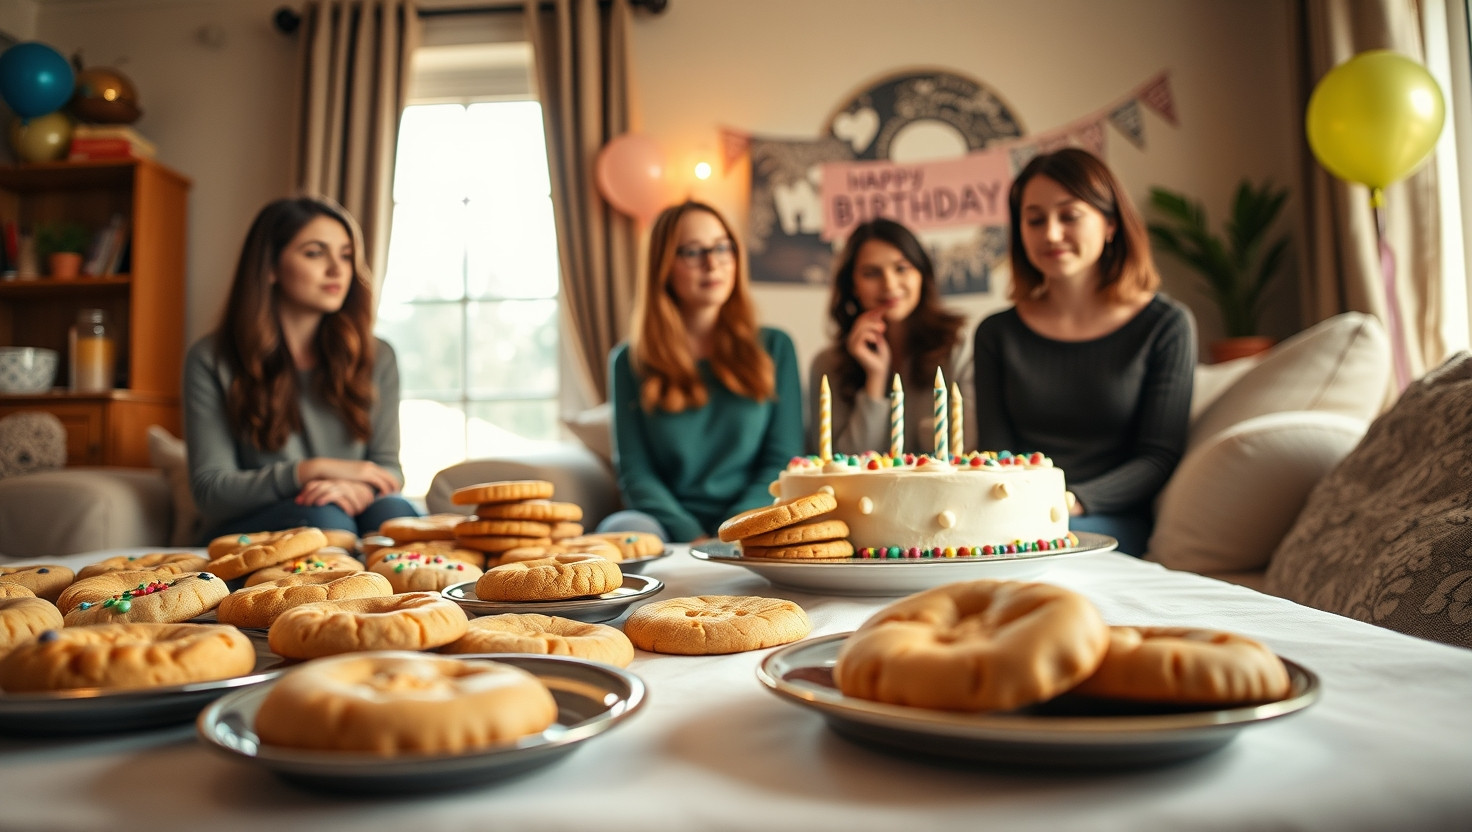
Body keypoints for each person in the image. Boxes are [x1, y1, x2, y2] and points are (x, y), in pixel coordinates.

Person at [973, 148, 1196, 557]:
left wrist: (1070, 500)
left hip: (1107, 518)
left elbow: (1158, 456)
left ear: (1110, 223)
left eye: (1069, 215)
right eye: (1035, 219)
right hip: (1013, 516)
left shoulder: (1165, 325)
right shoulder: (996, 333)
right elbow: (995, 452)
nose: (1051, 234)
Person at [184, 196, 418, 542]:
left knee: (395, 515)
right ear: (270, 267)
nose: (337, 270)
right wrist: (311, 471)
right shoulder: (211, 358)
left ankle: (404, 598)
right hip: (253, 525)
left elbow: (386, 469)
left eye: (345, 255)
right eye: (314, 253)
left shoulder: (377, 356)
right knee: (325, 519)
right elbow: (211, 491)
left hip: (346, 509)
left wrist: (356, 488)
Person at [600, 200, 804, 543]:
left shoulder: (775, 347)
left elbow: (781, 461)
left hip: (756, 516)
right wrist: (693, 536)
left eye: (723, 247)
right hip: (666, 526)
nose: (713, 263)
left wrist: (732, 530)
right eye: (693, 252)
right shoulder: (628, 361)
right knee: (620, 532)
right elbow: (637, 474)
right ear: (662, 266)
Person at [809, 218, 974, 457]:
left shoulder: (958, 348)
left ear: (921, 273)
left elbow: (967, 449)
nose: (889, 284)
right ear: (852, 285)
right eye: (871, 273)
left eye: (901, 268)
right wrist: (874, 380)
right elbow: (841, 464)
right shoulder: (827, 365)